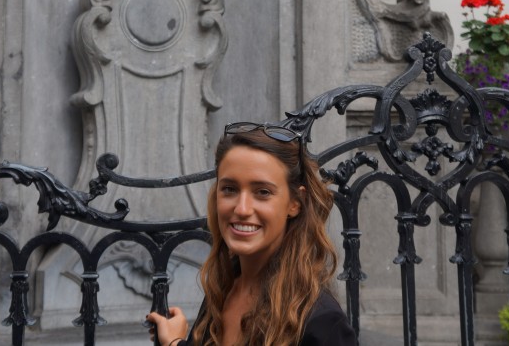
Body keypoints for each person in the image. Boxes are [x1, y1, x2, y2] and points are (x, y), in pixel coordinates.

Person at [146, 122, 357, 345]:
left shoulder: (323, 323)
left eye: (262, 192)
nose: (242, 209)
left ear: (295, 202)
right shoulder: (223, 290)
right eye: (230, 189)